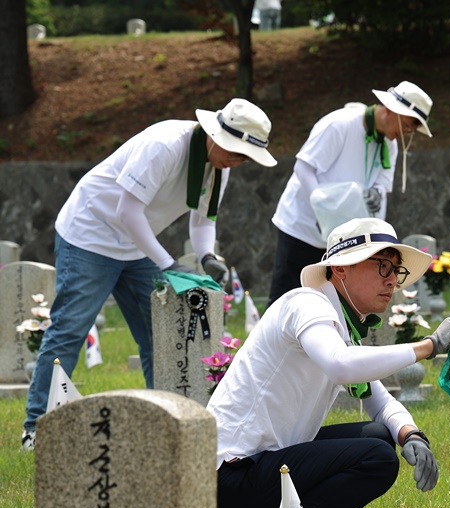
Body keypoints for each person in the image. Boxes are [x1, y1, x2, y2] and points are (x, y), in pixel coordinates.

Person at [208, 217, 450, 508]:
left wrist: (411, 434)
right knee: (376, 458)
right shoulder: (307, 304)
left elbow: (379, 401)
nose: (391, 279)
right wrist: (428, 346)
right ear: (339, 268)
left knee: (378, 437)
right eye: (382, 265)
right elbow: (341, 367)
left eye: (396, 270)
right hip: (222, 482)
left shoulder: (340, 326)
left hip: (252, 475)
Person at [20, 99, 276, 451]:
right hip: (89, 233)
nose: (237, 160)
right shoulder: (165, 145)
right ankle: (35, 428)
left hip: (137, 245)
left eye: (245, 157)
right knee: (69, 330)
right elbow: (127, 210)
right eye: (235, 151)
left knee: (158, 336)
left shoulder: (220, 165)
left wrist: (207, 256)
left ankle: (166, 419)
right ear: (215, 134)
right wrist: (168, 264)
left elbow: (203, 220)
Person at [267, 81, 433, 307]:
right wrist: (322, 211)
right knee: (285, 300)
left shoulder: (390, 145)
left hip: (344, 240)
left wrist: (375, 196)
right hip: (303, 227)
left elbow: (381, 187)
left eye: (413, 129)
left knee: (331, 304)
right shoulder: (340, 123)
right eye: (409, 124)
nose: (408, 132)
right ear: (392, 109)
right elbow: (304, 168)